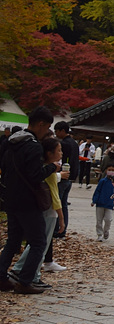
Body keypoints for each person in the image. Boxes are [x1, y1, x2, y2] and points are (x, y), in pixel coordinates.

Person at [0, 106, 58, 295]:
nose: (46, 131)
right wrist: (52, 167)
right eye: (47, 127)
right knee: (39, 242)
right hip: (27, 201)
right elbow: (35, 175)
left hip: (10, 198)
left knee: (13, 240)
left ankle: (1, 277)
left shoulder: (10, 142)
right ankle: (25, 281)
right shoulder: (33, 146)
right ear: (40, 124)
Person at [10, 136, 65, 290]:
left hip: (41, 209)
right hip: (49, 210)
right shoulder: (49, 170)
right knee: (40, 245)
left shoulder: (42, 168)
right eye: (59, 150)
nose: (61, 153)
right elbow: (55, 196)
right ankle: (29, 273)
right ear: (49, 153)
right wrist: (61, 217)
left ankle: (26, 271)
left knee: (37, 244)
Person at [92, 164, 114, 241]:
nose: (111, 171)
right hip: (100, 203)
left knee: (108, 219)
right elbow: (97, 191)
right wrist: (94, 200)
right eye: (109, 170)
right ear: (106, 171)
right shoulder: (102, 181)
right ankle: (99, 235)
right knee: (99, 221)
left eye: (113, 170)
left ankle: (106, 231)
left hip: (109, 204)